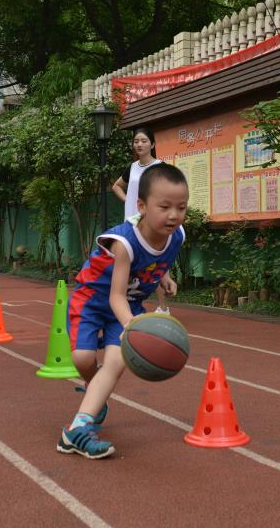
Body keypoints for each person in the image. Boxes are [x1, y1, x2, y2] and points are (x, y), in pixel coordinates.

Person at [58, 163, 187, 459]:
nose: (173, 215)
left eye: (181, 207)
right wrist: (132, 325)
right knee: (82, 358)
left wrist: (164, 277)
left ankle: (77, 429)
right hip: (93, 300)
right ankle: (96, 392)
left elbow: (158, 260)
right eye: (164, 207)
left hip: (129, 304)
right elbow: (115, 295)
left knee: (115, 364)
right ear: (141, 206)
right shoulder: (125, 243)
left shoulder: (177, 235)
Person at [111, 127, 171, 314]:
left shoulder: (160, 167)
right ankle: (125, 307)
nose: (139, 144)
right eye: (136, 141)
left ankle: (163, 307)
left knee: (156, 264)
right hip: (131, 224)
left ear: (152, 144)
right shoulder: (132, 168)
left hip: (152, 223)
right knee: (128, 265)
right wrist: (128, 200)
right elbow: (116, 186)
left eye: (144, 141)